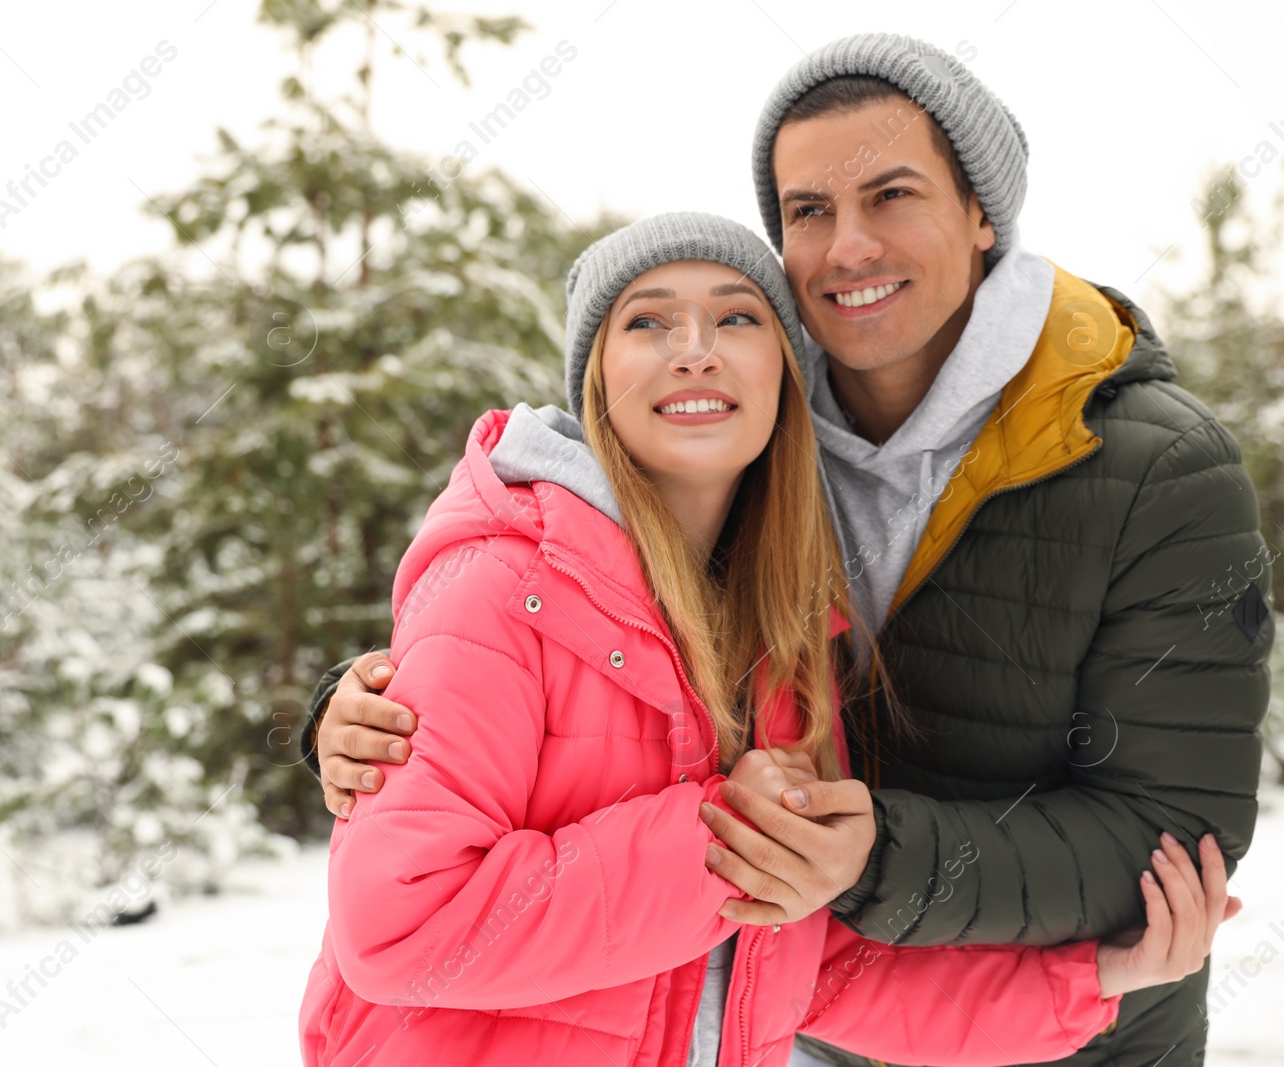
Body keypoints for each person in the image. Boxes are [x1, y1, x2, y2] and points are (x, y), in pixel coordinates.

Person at [302, 35, 1274, 1067]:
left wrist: (876, 869)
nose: (847, 246)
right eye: (808, 210)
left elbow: (1163, 832)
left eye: (891, 194)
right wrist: (361, 702)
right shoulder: (735, 450)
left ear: (984, 212)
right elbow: (532, 625)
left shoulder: (1148, 469)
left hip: (1060, 1035)